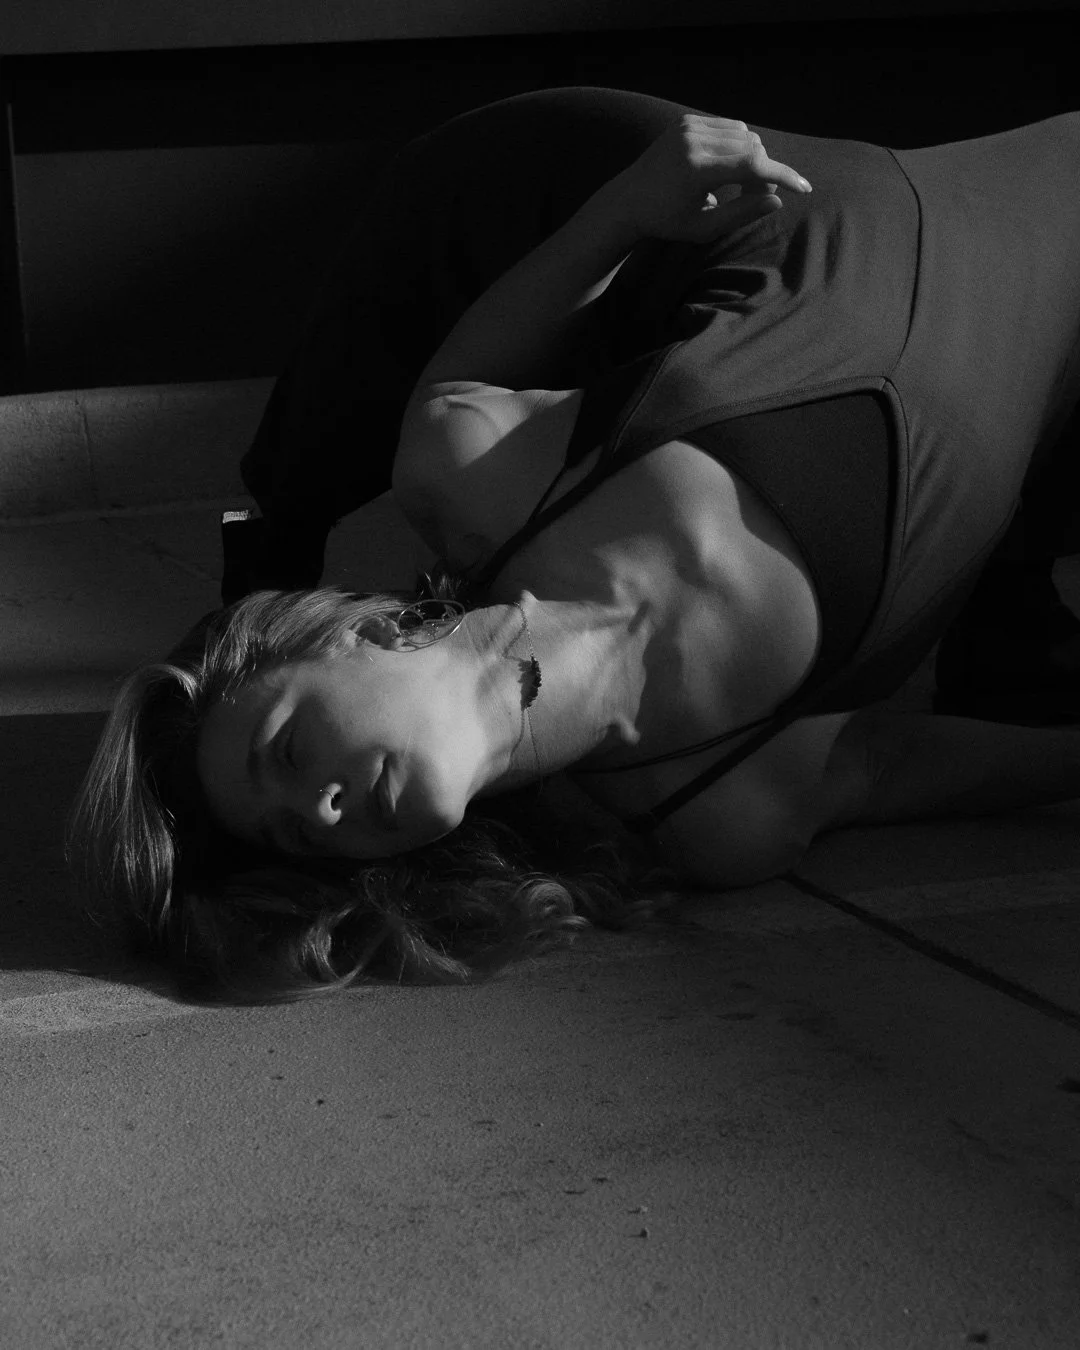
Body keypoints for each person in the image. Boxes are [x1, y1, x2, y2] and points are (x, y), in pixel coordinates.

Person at [68, 87, 1080, 1002]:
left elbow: (566, 248)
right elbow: (900, 764)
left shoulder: (470, 467)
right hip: (1044, 340)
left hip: (849, 226)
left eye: (287, 751)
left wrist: (634, 201)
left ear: (354, 635)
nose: (326, 810)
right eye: (295, 835)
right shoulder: (719, 811)